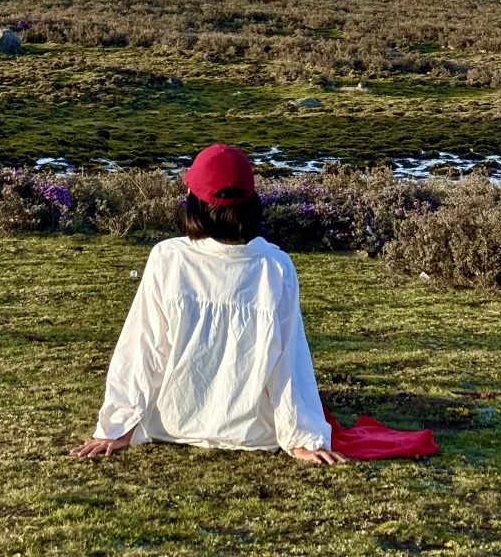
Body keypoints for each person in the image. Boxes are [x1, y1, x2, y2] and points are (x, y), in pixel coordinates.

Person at [71, 143, 346, 465]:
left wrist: (117, 427)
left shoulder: (168, 257)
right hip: (255, 431)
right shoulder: (275, 265)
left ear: (193, 199)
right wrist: (302, 437)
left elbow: (144, 346)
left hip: (172, 423)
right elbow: (289, 359)